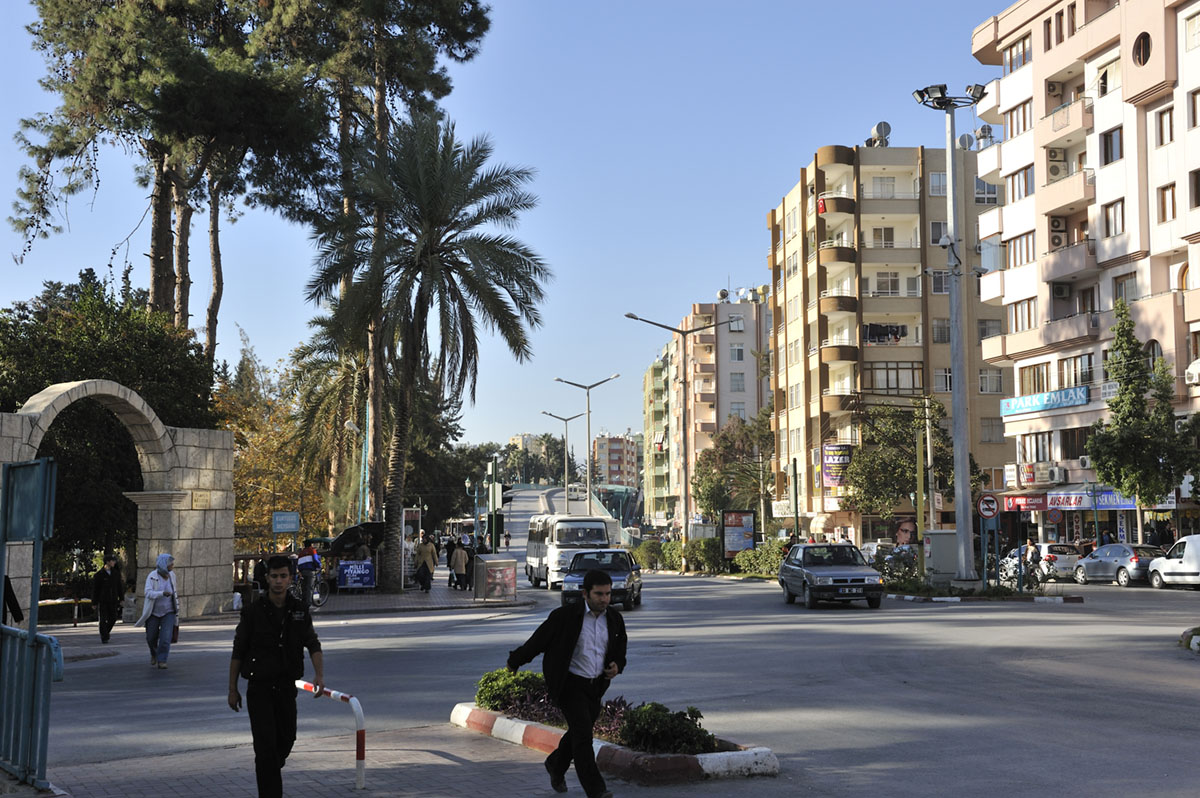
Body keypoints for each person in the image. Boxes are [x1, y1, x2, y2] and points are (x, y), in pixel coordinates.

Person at [507, 569, 627, 798]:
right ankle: (596, 790)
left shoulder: (614, 619)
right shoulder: (565, 617)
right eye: (599, 594)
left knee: (578, 732)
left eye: (608, 594)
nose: (604, 599)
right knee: (583, 737)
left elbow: (620, 648)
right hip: (569, 684)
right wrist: (514, 662)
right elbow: (537, 642)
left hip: (595, 686)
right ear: (585, 594)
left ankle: (556, 764)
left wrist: (617, 665)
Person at [228, 554, 324, 798]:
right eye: (274, 576)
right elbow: (238, 650)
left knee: (287, 739)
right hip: (259, 688)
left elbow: (313, 643)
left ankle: (270, 767)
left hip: (285, 688)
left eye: (283, 576)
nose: (278, 581)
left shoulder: (299, 610)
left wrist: (319, 676)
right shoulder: (252, 612)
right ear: (267, 578)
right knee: (265, 748)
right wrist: (232, 688)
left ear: (290, 578)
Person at [135, 553, 178, 669]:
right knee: (151, 637)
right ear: (164, 564)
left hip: (168, 611)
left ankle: (162, 660)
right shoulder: (152, 576)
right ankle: (154, 653)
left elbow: (175, 592)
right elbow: (148, 593)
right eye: (170, 563)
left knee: (166, 637)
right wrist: (161, 593)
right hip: (153, 612)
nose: (173, 565)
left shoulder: (172, 575)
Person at [92, 552, 123, 643]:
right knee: (103, 619)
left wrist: (121, 598)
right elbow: (95, 589)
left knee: (113, 618)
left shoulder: (116, 574)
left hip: (113, 599)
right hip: (103, 600)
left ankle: (106, 632)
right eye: (113, 561)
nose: (114, 562)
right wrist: (94, 602)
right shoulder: (99, 575)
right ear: (107, 562)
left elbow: (119, 587)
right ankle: (104, 636)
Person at [296, 541, 322, 608]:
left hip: (303, 572)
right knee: (309, 588)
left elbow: (299, 564)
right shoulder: (312, 550)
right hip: (310, 571)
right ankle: (308, 604)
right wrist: (319, 565)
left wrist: (300, 571)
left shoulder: (301, 553)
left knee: (304, 588)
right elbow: (315, 560)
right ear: (310, 545)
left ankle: (303, 603)